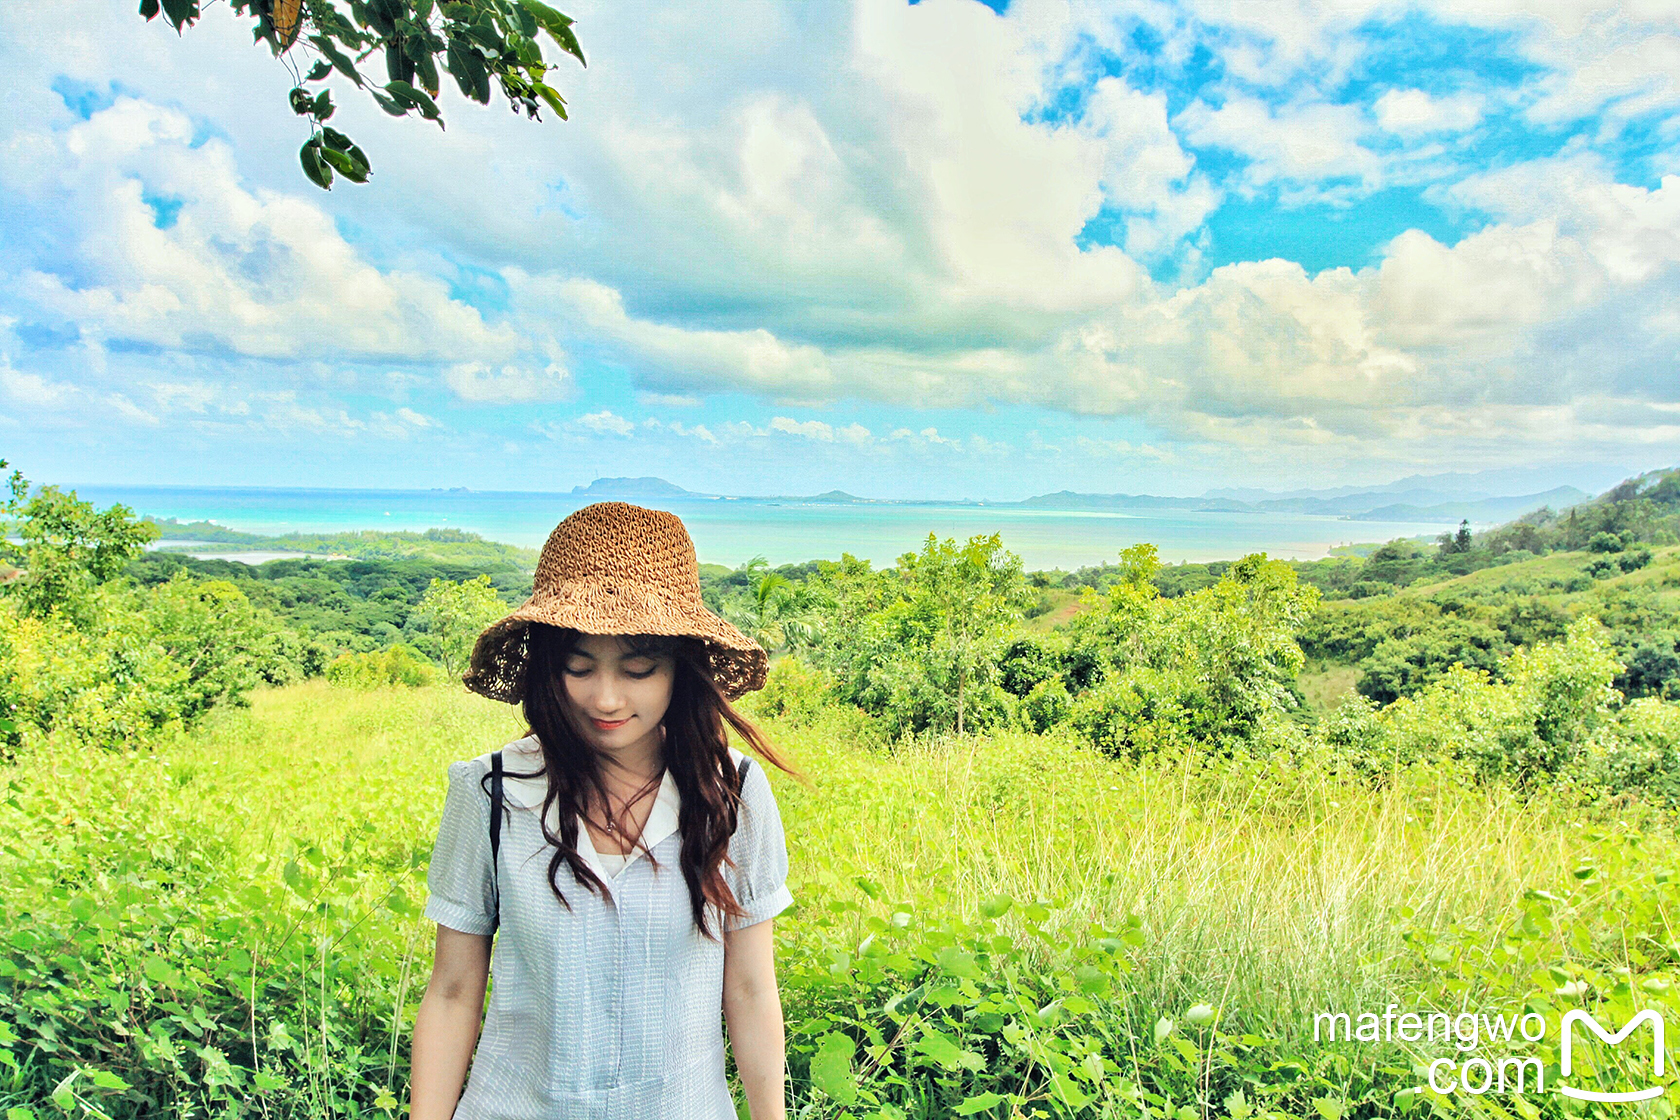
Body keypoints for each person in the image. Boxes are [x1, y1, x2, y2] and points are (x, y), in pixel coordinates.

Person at [409, 502, 797, 1120]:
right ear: (546, 668)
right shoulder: (490, 792)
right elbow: (454, 992)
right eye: (578, 666)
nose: (606, 698)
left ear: (680, 670)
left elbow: (750, 989)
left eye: (639, 668)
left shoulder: (732, 794)